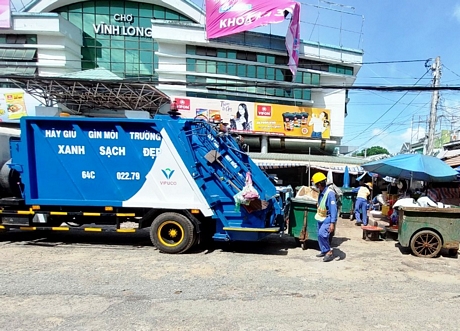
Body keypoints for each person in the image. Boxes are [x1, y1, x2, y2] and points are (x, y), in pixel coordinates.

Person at [311, 172, 337, 262]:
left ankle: (329, 252)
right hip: (320, 217)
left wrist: (332, 223)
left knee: (323, 234)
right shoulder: (321, 192)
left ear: (319, 184)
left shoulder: (330, 194)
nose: (314, 186)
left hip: (327, 218)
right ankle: (324, 250)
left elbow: (333, 209)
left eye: (315, 184)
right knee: (319, 234)